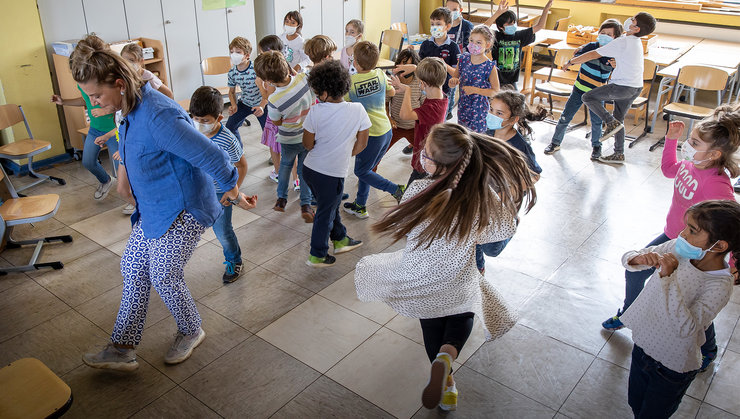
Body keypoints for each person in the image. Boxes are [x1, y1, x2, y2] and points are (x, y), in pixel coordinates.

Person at [71, 35, 244, 371]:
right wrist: (123, 180)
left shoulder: (159, 115)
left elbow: (215, 157)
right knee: (133, 266)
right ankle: (122, 348)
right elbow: (131, 147)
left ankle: (191, 330)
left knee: (163, 273)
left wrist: (231, 190)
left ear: (119, 85)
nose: (93, 104)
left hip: (184, 208)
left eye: (96, 95)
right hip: (153, 207)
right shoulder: (127, 109)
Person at [354, 123, 536, 411]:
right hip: (457, 275)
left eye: (425, 154)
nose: (421, 157)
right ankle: (447, 357)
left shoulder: (418, 188)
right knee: (464, 311)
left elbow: (404, 224)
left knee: (431, 324)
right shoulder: (480, 195)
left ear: (438, 165)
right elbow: (501, 230)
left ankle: (446, 380)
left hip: (419, 274)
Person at [602, 108, 740, 372]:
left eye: (694, 143)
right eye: (690, 139)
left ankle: (708, 349)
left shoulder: (717, 186)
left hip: (696, 249)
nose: (688, 145)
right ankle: (628, 314)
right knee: (635, 270)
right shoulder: (693, 162)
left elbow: (732, 226)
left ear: (714, 154)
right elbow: (668, 170)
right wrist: (672, 140)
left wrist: (733, 263)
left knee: (692, 307)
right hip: (673, 236)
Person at [620, 200, 740, 418]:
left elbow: (687, 328)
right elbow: (633, 256)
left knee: (652, 414)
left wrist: (669, 277)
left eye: (692, 230)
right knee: (635, 403)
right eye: (686, 226)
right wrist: (637, 258)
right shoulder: (677, 247)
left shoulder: (719, 285)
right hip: (644, 345)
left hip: (671, 367)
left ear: (720, 246)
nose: (683, 234)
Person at [302, 60, 370, 267]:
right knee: (326, 212)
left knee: (328, 205)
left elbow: (307, 144)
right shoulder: (358, 110)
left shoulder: (315, 112)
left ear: (323, 93)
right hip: (333, 173)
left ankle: (340, 238)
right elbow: (362, 143)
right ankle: (318, 254)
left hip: (310, 170)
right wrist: (343, 154)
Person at [567, 12, 657, 165]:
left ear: (635, 28)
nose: (629, 19)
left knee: (587, 97)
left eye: (633, 20)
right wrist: (583, 46)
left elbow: (593, 54)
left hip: (622, 86)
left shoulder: (623, 42)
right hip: (635, 87)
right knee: (619, 119)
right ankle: (619, 153)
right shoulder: (633, 41)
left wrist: (571, 61)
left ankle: (609, 122)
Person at [476, 89, 544, 273]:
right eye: (491, 110)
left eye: (499, 113)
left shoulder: (520, 146)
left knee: (492, 249)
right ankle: (478, 267)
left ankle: (513, 223)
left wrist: (509, 190)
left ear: (514, 119)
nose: (492, 115)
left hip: (505, 202)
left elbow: (535, 175)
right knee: (473, 234)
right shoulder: (488, 133)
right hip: (483, 194)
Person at [189, 86, 250, 283]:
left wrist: (232, 191)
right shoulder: (190, 131)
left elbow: (241, 165)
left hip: (219, 192)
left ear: (218, 118)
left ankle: (234, 260)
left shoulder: (227, 140)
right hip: (197, 189)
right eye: (195, 119)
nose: (199, 124)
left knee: (223, 231)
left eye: (205, 121)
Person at [50, 35, 118, 201]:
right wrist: (63, 102)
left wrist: (106, 110)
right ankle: (105, 181)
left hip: (114, 130)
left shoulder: (109, 80)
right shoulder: (84, 84)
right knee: (88, 161)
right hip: (95, 129)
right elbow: (85, 101)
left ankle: (131, 197)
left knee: (121, 167)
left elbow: (122, 105)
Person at [342, 41, 405, 219]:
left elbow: (345, 102)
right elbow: (391, 92)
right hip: (386, 130)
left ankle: (396, 189)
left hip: (369, 135)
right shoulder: (380, 74)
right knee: (367, 169)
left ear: (355, 62)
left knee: (361, 171)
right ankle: (360, 205)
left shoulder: (351, 82)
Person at [544, 19, 623, 161]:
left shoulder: (615, 54)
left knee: (597, 122)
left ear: (616, 38)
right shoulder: (590, 47)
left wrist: (617, 65)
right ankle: (555, 142)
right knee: (565, 117)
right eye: (602, 33)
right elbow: (577, 57)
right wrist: (573, 58)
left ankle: (596, 146)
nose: (604, 36)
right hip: (579, 89)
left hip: (597, 94)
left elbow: (619, 73)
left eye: (609, 34)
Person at [254, 50, 315, 222]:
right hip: (308, 136)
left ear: (268, 82)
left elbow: (277, 122)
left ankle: (281, 199)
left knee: (284, 166)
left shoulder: (274, 99)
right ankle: (305, 204)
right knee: (303, 171)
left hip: (289, 139)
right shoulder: (304, 79)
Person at [391, 57, 449, 187]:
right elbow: (433, 74)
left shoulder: (431, 108)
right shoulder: (442, 97)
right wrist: (416, 68)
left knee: (409, 200)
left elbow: (404, 115)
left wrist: (407, 90)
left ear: (423, 83)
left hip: (425, 164)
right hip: (428, 160)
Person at [486, 0, 553, 90]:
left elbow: (539, 26)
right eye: (509, 24)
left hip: (512, 80)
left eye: (514, 22)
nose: (513, 25)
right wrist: (498, 13)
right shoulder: (496, 36)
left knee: (516, 102)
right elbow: (483, 28)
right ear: (501, 27)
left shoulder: (519, 36)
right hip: (496, 79)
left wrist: (545, 10)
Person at [449, 25, 499, 133]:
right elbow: (455, 77)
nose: (473, 45)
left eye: (478, 42)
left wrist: (475, 90)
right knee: (463, 135)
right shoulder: (463, 59)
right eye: (471, 41)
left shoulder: (489, 66)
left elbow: (495, 91)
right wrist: (453, 81)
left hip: (479, 110)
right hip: (463, 106)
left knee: (477, 138)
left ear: (487, 45)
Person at [418, 7, 459, 121]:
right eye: (432, 24)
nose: (434, 27)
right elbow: (420, 67)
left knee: (439, 118)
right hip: (426, 89)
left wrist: (443, 65)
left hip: (445, 90)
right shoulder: (426, 44)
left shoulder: (453, 47)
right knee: (426, 116)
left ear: (448, 26)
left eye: (438, 24)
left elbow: (457, 73)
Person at [225, 36, 266, 145]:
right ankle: (239, 150)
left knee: (268, 131)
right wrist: (234, 105)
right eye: (231, 52)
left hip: (261, 103)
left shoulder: (256, 68)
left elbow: (267, 90)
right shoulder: (232, 72)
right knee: (230, 127)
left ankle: (274, 153)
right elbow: (231, 92)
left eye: (238, 52)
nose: (234, 55)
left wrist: (262, 105)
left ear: (247, 55)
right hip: (245, 102)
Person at [387, 49, 422, 156]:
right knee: (379, 152)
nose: (403, 66)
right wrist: (389, 118)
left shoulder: (420, 82)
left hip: (414, 127)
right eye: (401, 62)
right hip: (396, 126)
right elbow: (385, 102)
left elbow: (424, 105)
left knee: (422, 153)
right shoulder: (392, 80)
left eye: (407, 64)